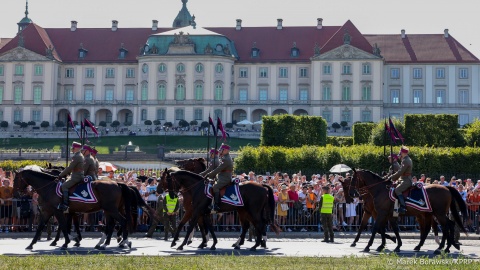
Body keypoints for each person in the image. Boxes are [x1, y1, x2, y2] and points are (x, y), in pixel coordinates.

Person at [58, 141, 85, 212]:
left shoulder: (77, 156)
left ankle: (65, 204)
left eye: (73, 148)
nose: (72, 149)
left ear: (76, 148)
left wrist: (61, 175)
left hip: (76, 176)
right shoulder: (80, 155)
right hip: (77, 175)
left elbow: (70, 168)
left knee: (64, 186)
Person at [206, 143, 233, 212]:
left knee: (215, 187)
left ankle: (216, 205)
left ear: (226, 150)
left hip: (225, 178)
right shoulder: (224, 158)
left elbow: (218, 169)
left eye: (221, 150)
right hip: (222, 177)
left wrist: (209, 175)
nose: (220, 151)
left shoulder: (226, 159)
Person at [391, 146, 412, 215]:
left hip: (406, 180)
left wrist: (392, 177)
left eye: (400, 152)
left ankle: (403, 207)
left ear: (403, 153)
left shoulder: (406, 160)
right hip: (403, 179)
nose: (400, 153)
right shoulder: (406, 159)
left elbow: (400, 172)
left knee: (397, 190)